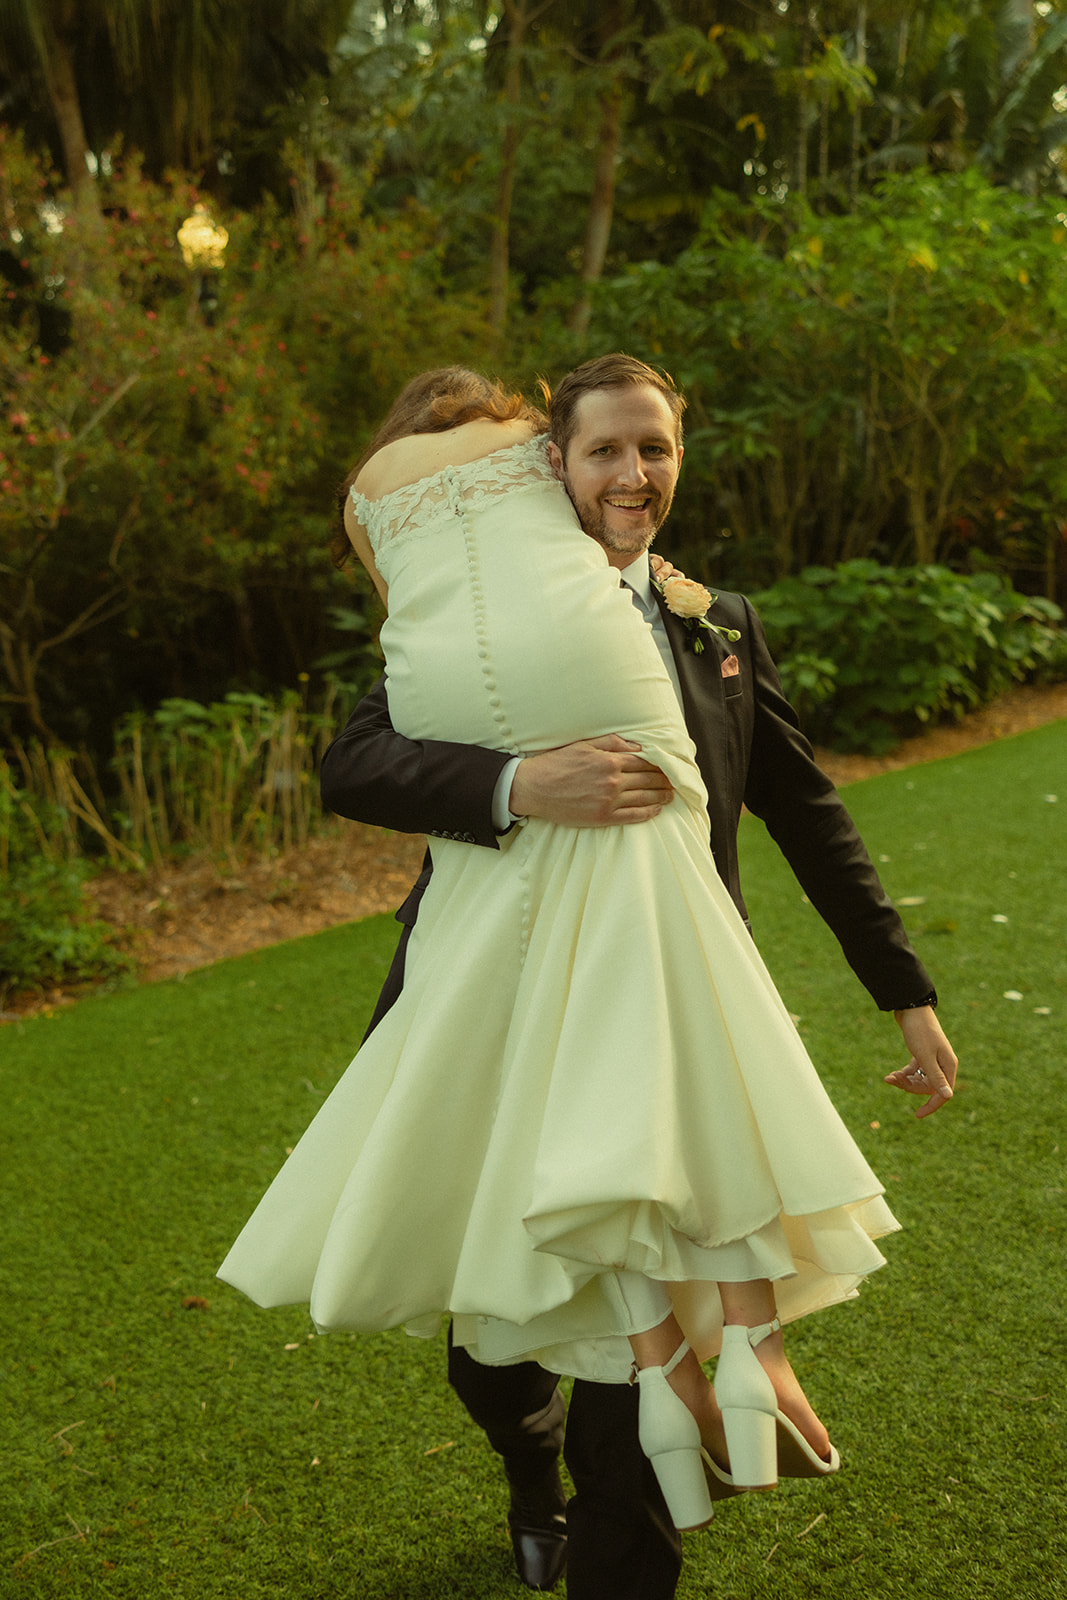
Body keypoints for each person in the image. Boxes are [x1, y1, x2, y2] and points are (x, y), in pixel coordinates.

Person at [221, 360, 956, 1599]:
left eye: (654, 452)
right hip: (491, 1026)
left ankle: (625, 1525)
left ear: (679, 459)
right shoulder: (470, 609)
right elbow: (355, 761)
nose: (631, 477)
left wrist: (903, 984)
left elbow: (803, 809)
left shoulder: (712, 622)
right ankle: (528, 1466)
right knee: (490, 1362)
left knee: (635, 1401)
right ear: (546, 466)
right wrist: (517, 786)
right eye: (604, 453)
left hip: (656, 1025)